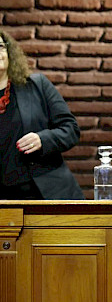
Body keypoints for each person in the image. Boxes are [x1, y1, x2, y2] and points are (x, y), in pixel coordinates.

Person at [0, 30, 85, 200]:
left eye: (0, 46)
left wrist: (43, 139)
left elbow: (71, 129)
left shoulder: (37, 85)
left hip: (44, 193)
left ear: (9, 53)